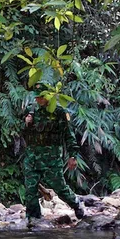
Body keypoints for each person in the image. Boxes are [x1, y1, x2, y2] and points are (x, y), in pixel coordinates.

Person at [22, 82, 84, 226]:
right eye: (36, 97)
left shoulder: (59, 113)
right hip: (32, 156)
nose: (37, 100)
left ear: (48, 96)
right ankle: (34, 218)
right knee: (30, 188)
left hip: (51, 157)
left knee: (59, 187)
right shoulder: (32, 111)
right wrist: (26, 123)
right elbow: (23, 133)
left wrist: (73, 156)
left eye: (41, 97)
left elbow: (69, 135)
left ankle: (75, 203)